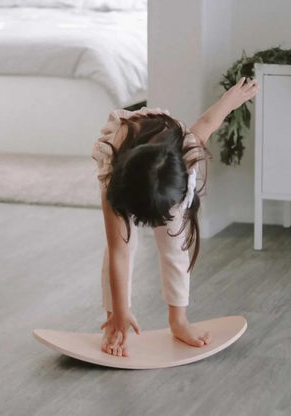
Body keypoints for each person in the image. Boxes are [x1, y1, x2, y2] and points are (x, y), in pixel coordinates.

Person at [92, 77, 259, 357]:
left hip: (164, 169)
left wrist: (232, 99)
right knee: (122, 244)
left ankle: (179, 321)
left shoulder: (186, 151)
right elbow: (119, 252)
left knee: (174, 244)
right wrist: (122, 312)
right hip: (124, 158)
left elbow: (208, 122)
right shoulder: (114, 176)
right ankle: (115, 322)